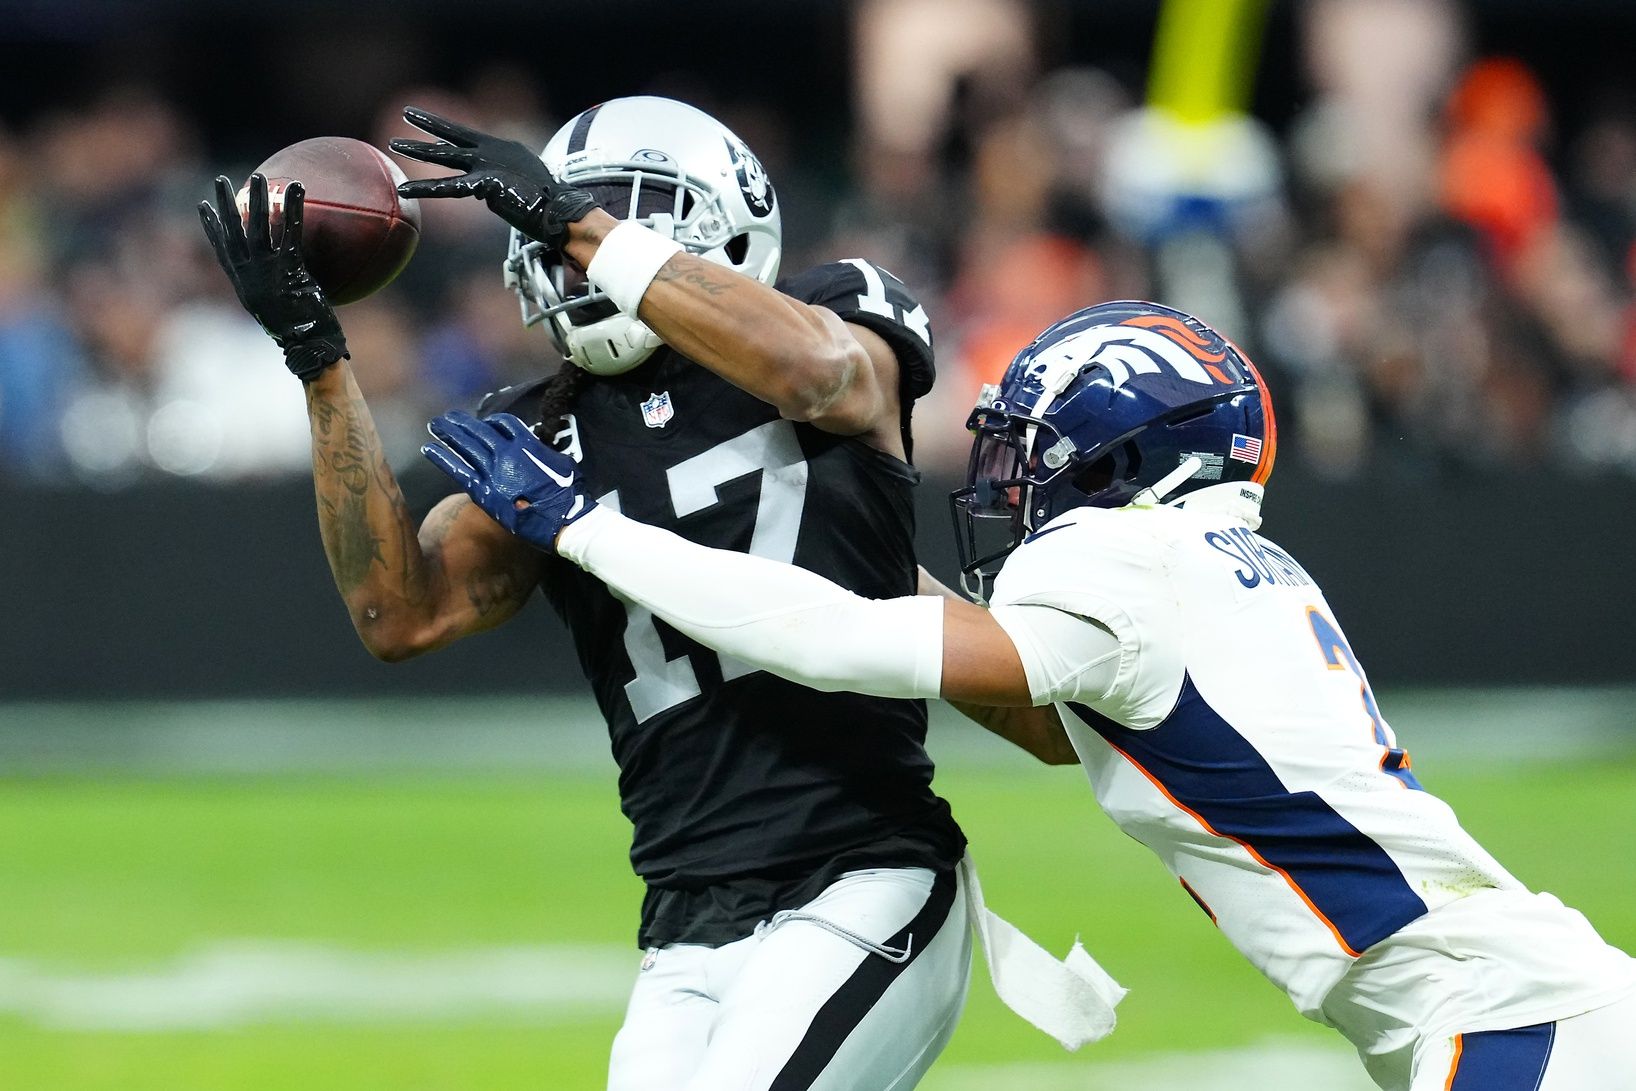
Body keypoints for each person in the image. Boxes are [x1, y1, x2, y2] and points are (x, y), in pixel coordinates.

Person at [422, 300, 1636, 1091]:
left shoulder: (1122, 564)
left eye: (1030, 451)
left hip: (1500, 1021)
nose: (1011, 483)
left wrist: (585, 526)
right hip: (1512, 1002)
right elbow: (983, 683)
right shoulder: (1209, 556)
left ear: (1122, 455)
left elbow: (841, 641)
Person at [199, 97, 976, 1091]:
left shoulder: (837, 309)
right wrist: (318, 359)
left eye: (614, 220)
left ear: (725, 223)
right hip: (685, 914)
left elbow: (816, 372)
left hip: (865, 870)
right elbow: (403, 613)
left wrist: (573, 215)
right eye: (550, 232)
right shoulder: (541, 428)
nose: (571, 255)